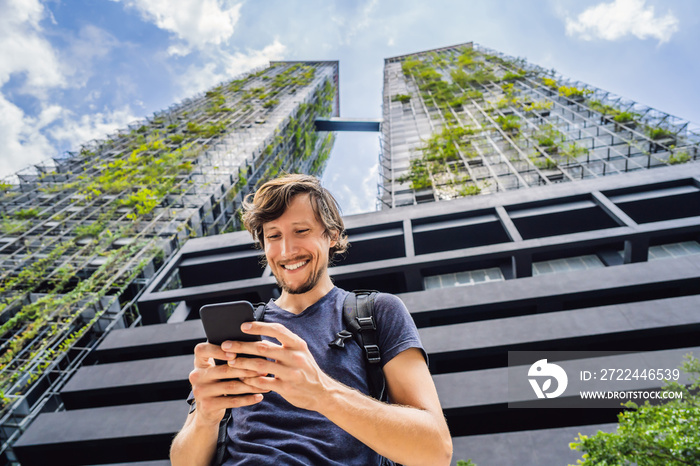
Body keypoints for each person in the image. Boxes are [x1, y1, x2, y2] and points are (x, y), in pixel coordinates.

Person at [170, 174, 452, 466]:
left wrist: (321, 392)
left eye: (301, 231)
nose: (286, 250)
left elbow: (436, 452)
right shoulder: (241, 331)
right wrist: (204, 418)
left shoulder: (378, 312)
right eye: (274, 236)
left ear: (331, 236)